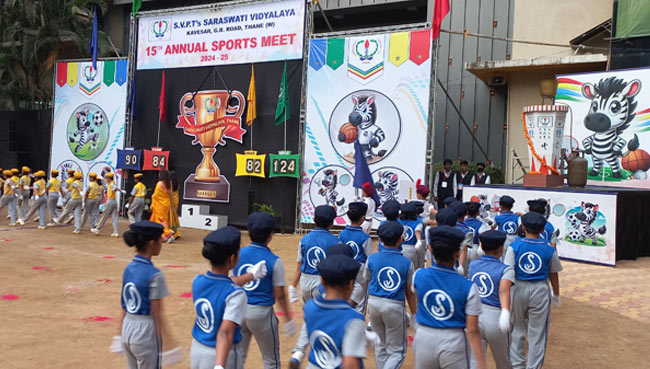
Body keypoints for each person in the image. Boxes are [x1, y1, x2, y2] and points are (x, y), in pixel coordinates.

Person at [412, 226, 487, 369]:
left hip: (424, 337)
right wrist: (480, 362)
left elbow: (417, 297)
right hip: (454, 341)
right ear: (458, 253)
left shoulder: (419, 275)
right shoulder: (468, 286)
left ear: (431, 250)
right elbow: (472, 330)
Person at [110, 221, 179, 369]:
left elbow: (124, 304)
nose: (162, 242)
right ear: (152, 243)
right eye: (159, 239)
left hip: (128, 326)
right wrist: (168, 344)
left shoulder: (128, 269)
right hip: (145, 330)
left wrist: (119, 334)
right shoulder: (155, 275)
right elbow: (157, 313)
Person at [190, 227, 261, 369]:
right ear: (232, 259)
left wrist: (250, 276)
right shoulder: (236, 294)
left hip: (197, 349)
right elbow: (225, 331)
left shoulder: (198, 281)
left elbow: (222, 283)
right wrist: (219, 365)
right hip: (221, 355)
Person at [234, 212, 296, 369]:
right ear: (270, 235)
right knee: (271, 360)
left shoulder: (237, 255)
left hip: (238, 310)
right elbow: (280, 295)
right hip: (262, 313)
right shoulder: (274, 260)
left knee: (237, 357)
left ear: (249, 232)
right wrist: (288, 319)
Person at [504, 212, 562, 369]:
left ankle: (517, 365)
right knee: (538, 332)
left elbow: (508, 272)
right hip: (540, 290)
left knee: (516, 328)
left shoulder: (514, 246)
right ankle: (533, 367)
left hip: (517, 287)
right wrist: (556, 293)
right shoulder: (549, 249)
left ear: (523, 227)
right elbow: (553, 274)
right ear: (543, 229)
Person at [289, 205, 339, 368]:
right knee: (325, 318)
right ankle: (319, 353)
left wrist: (293, 286)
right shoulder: (335, 241)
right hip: (323, 283)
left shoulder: (305, 239)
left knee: (309, 316)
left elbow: (299, 265)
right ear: (332, 223)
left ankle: (298, 351)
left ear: (314, 220)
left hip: (305, 281)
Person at [364, 221, 417, 369]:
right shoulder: (406, 263)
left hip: (373, 303)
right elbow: (409, 293)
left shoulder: (372, 259)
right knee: (397, 351)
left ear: (380, 240)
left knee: (380, 346)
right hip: (394, 305)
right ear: (400, 240)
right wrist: (414, 315)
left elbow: (368, 283)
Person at [303, 254, 367, 369]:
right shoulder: (354, 319)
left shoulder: (309, 307)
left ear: (322, 280)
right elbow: (350, 365)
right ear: (351, 284)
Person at [468, 230, 514, 369]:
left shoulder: (473, 265)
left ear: (481, 245)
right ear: (502, 248)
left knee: (475, 359)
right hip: (495, 316)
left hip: (474, 314)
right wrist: (505, 312)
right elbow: (503, 290)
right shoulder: (506, 269)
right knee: (503, 359)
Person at [338, 202, 373, 313]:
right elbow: (369, 258)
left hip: (344, 267)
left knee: (345, 294)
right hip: (360, 269)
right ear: (363, 218)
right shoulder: (365, 237)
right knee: (360, 301)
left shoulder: (342, 234)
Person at [149, 170, 179, 243]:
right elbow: (171, 195)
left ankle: (168, 234)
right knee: (163, 219)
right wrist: (172, 205)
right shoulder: (169, 183)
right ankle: (161, 235)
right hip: (166, 204)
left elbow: (155, 195)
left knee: (161, 220)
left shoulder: (159, 184)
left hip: (160, 205)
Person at [92, 173, 125, 237]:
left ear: (110, 178)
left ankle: (97, 229)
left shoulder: (112, 184)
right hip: (114, 201)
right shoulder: (111, 183)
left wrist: (121, 190)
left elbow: (115, 188)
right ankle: (116, 232)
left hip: (110, 201)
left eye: (107, 178)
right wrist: (102, 178)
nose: (106, 179)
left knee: (104, 215)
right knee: (114, 217)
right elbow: (109, 183)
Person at [451, 201, 475, 276]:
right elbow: (464, 248)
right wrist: (461, 266)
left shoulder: (447, 226)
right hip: (460, 258)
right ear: (466, 213)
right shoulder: (466, 231)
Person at [399, 202, 425, 270]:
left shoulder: (397, 222)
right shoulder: (418, 223)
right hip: (412, 250)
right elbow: (418, 232)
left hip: (399, 249)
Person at [169, 170, 181, 239]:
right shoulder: (177, 183)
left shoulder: (170, 183)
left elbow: (170, 192)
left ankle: (172, 233)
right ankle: (176, 232)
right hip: (176, 198)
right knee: (174, 215)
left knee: (171, 217)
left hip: (172, 199)